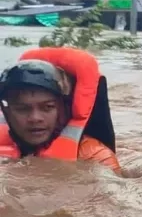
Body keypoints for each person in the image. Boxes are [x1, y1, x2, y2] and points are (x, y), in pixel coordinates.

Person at [0, 47, 121, 175]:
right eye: (22, 109)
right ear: (7, 112)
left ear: (64, 109)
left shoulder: (95, 156)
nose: (35, 118)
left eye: (48, 107)